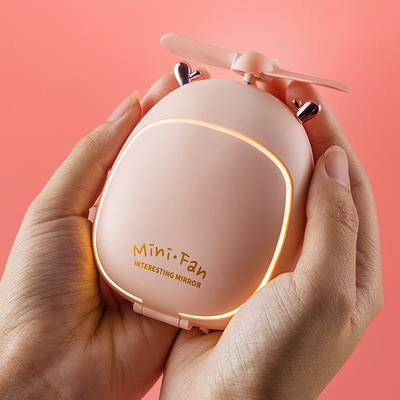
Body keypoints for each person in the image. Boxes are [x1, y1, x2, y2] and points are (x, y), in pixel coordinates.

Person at [0, 67, 383, 400]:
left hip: (130, 269)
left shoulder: (192, 102)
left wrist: (35, 381)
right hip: (171, 285)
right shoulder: (280, 127)